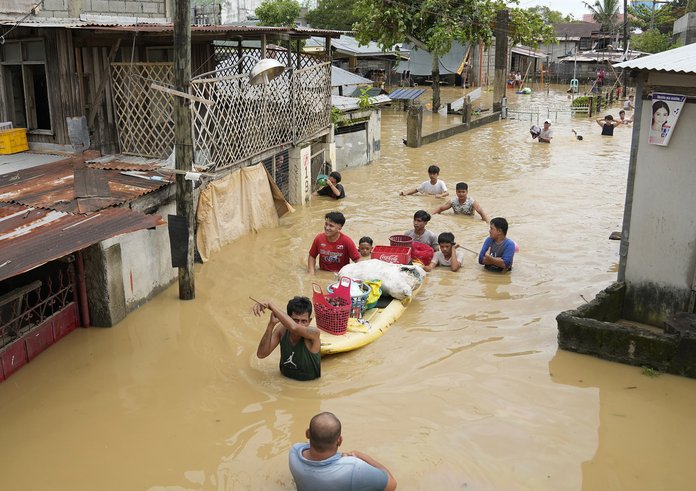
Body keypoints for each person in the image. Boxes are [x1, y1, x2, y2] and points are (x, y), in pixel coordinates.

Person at [289, 412, 397, 491]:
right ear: (339, 441)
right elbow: (392, 485)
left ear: (307, 433)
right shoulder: (354, 467)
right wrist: (360, 456)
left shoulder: (294, 452)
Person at [254, 296, 321, 381]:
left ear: (310, 321)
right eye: (295, 320)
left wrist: (271, 305)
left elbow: (295, 328)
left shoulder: (314, 333)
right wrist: (271, 324)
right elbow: (261, 354)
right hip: (284, 380)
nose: (300, 324)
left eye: (304, 321)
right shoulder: (281, 329)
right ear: (288, 319)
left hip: (308, 386)